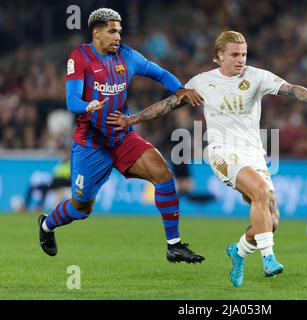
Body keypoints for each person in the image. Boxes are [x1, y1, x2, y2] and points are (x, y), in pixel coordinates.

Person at [107, 31, 307, 287]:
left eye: (243, 54)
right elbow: (169, 104)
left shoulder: (258, 76)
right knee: (261, 191)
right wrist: (132, 119)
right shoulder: (202, 82)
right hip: (221, 151)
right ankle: (269, 258)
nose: (240, 59)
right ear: (220, 56)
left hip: (254, 154)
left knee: (271, 221)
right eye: (234, 54)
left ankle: (238, 251)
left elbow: (290, 89)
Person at [38, 8, 205, 264]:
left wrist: (180, 89)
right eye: (112, 31)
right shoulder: (80, 57)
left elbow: (159, 73)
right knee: (81, 208)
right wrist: (88, 106)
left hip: (121, 136)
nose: (118, 36)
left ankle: (174, 245)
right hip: (91, 144)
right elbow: (72, 100)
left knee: (163, 174)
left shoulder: (127, 56)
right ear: (97, 32)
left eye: (120, 31)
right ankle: (47, 225)